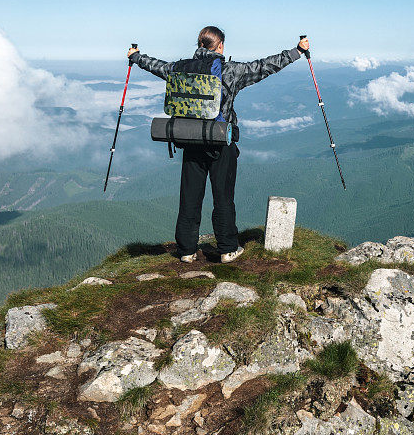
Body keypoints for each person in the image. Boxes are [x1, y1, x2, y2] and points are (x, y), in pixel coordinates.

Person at [128, 27, 308, 263]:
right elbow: (266, 66)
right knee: (223, 196)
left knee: (190, 197)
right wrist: (297, 51)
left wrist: (136, 57)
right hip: (221, 141)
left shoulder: (181, 67)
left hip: (190, 140)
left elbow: (157, 65)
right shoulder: (231, 71)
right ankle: (227, 248)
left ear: (199, 44)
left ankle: (186, 251)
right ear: (220, 45)